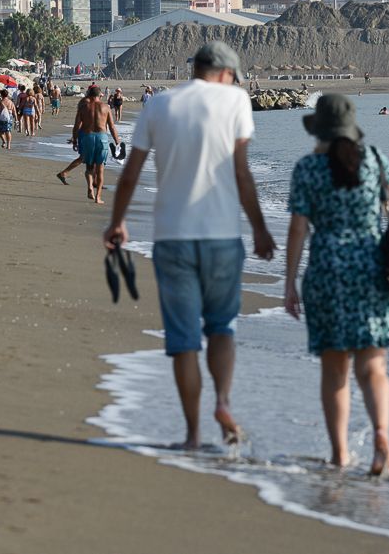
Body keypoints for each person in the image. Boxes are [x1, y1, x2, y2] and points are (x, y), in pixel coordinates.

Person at [103, 42, 276, 449]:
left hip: (173, 238)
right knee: (221, 329)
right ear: (223, 72)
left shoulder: (160, 104)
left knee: (183, 341)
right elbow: (241, 173)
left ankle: (194, 435)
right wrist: (260, 229)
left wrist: (117, 223)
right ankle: (223, 401)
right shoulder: (235, 101)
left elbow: (130, 173)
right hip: (221, 237)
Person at [282, 93, 389, 475]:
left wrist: (289, 282)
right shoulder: (374, 160)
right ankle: (382, 436)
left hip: (327, 272)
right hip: (374, 270)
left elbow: (298, 229)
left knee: (335, 369)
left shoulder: (308, 169)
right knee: (374, 366)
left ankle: (340, 455)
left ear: (319, 130)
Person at [56, 86, 120, 203]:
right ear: (99, 95)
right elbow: (111, 127)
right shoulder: (106, 107)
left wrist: (75, 140)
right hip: (102, 138)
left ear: (89, 95)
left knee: (89, 166)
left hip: (87, 137)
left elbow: (76, 126)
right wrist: (117, 141)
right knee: (100, 169)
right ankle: (98, 197)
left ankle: (90, 187)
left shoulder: (83, 107)